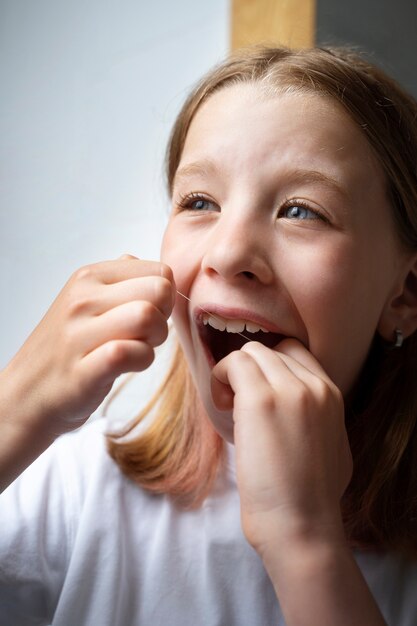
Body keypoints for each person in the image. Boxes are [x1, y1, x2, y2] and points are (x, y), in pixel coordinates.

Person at [1, 45, 417, 626]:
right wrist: (13, 413)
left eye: (302, 211)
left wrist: (304, 543)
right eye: (199, 202)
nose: (228, 253)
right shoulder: (72, 492)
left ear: (405, 295)